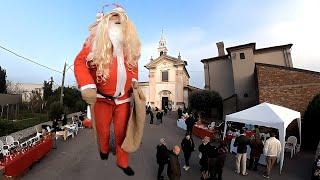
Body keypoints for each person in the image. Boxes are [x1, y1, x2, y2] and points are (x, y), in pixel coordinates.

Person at [74, 5, 142, 176]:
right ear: (105, 25)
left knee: (122, 133)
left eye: (120, 23)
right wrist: (87, 84)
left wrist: (134, 82)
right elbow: (79, 62)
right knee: (103, 130)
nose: (118, 27)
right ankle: (103, 150)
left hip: (123, 100)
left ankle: (122, 161)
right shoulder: (94, 44)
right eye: (114, 22)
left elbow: (134, 67)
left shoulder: (129, 48)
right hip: (102, 99)